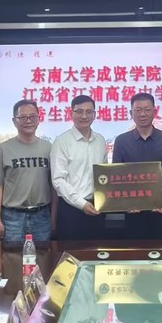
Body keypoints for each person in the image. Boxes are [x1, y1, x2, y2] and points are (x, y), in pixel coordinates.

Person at [112, 92, 162, 240]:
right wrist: (126, 203)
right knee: (135, 251)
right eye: (138, 110)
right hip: (133, 212)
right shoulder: (121, 141)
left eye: (147, 109)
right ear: (131, 113)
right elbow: (116, 176)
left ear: (154, 112)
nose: (142, 114)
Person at [0, 100, 56, 242]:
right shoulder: (3, 149)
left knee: (43, 255)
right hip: (12, 218)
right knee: (11, 255)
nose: (28, 121)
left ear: (38, 119)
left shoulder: (49, 148)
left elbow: (53, 187)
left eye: (32, 116)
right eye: (22, 117)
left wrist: (53, 217)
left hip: (41, 215)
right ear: (14, 121)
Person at [50, 95, 108, 240]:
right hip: (72, 209)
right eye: (79, 111)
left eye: (89, 112)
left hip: (97, 208)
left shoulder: (100, 140)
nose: (84, 116)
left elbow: (104, 174)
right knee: (71, 252)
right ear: (71, 113)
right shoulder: (62, 142)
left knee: (98, 251)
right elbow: (58, 180)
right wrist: (81, 204)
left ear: (94, 114)